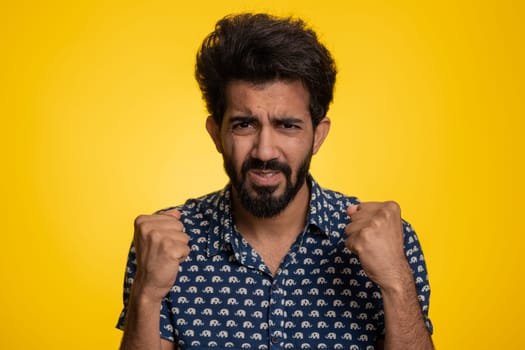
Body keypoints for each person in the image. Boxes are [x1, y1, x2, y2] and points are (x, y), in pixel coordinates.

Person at [117, 13, 434, 350]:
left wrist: (396, 282)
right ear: (216, 134)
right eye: (244, 125)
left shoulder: (387, 240)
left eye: (287, 125)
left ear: (318, 135)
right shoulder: (165, 241)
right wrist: (147, 294)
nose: (265, 150)